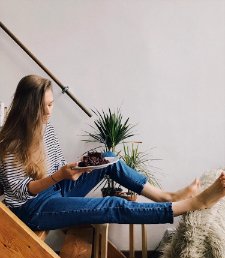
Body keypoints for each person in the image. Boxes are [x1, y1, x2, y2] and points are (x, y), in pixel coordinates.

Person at [0, 74, 224, 231]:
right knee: (111, 205)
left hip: (57, 188)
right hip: (33, 209)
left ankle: (166, 196)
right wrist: (60, 175)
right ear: (30, 107)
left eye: (51, 104)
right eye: (46, 106)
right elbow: (20, 192)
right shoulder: (9, 142)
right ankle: (190, 205)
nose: (51, 111)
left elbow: (57, 164)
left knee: (106, 157)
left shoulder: (44, 127)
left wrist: (78, 168)